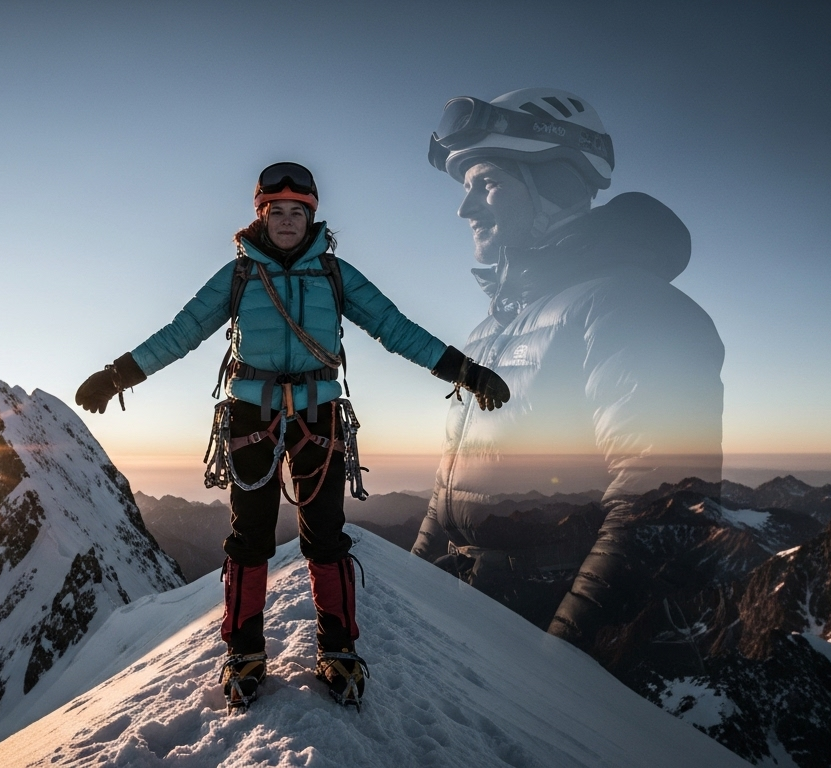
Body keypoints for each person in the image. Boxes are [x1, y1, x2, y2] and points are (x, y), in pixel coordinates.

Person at [75, 162, 508, 709]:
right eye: (275, 212)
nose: (285, 222)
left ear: (311, 216)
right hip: (255, 420)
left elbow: (396, 328)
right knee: (249, 539)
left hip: (315, 418)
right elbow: (181, 332)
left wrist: (464, 370)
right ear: (260, 215)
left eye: (295, 212)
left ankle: (338, 647)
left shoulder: (334, 274)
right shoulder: (237, 276)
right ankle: (246, 651)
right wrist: (119, 374)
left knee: (325, 536)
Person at [411, 89, 725, 660]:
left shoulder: (631, 307)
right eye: (465, 189)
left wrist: (563, 665)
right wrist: (406, 587)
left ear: (556, 186)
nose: (466, 209)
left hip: (542, 628)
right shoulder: (490, 331)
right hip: (472, 608)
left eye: (488, 185)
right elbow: (448, 483)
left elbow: (658, 507)